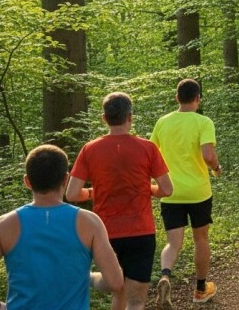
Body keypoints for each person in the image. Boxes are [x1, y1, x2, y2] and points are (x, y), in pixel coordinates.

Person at [66, 92, 174, 310]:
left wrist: (93, 192)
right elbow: (167, 189)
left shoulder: (90, 149)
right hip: (141, 232)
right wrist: (148, 189)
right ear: (130, 117)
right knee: (136, 300)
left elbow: (72, 194)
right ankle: (90, 278)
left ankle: (90, 278)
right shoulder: (148, 148)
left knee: (118, 289)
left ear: (104, 118)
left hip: (105, 232)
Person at [0, 144, 124, 309]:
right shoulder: (89, 222)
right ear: (65, 179)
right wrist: (90, 278)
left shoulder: (4, 225)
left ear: (27, 181)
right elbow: (115, 282)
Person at [150, 78, 221, 308]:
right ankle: (200, 289)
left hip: (170, 191)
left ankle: (165, 275)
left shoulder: (163, 122)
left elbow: (153, 155)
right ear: (198, 98)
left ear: (176, 98)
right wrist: (216, 168)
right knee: (201, 239)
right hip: (198, 192)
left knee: (173, 242)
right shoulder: (204, 122)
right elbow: (208, 155)